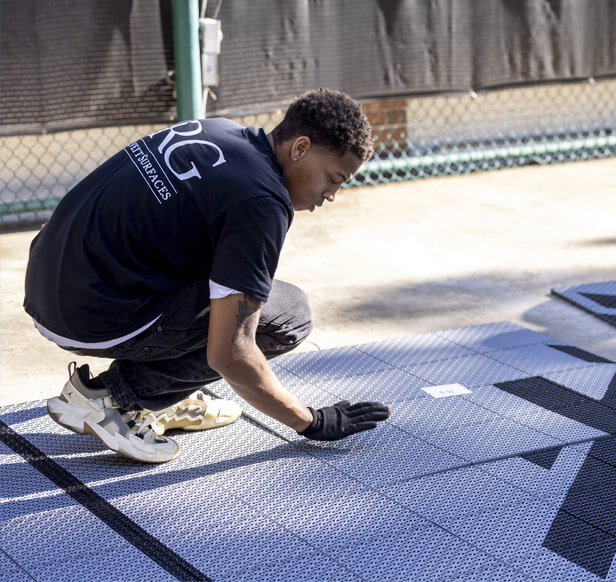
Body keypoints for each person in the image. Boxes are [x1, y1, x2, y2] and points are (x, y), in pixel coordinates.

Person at [23, 88, 390, 463]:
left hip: (47, 281)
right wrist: (310, 421)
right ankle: (118, 397)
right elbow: (231, 352)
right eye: (334, 178)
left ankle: (168, 395)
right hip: (88, 316)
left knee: (228, 276)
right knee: (291, 315)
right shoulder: (262, 202)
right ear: (300, 148)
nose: (331, 194)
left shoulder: (220, 130)